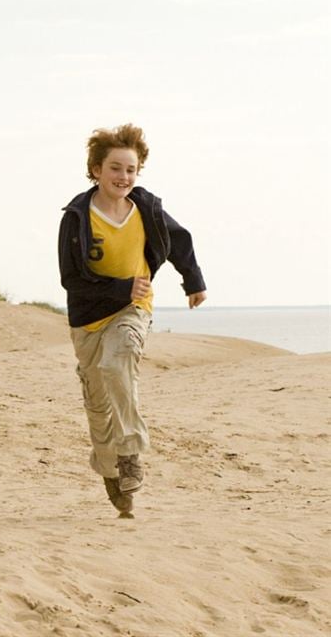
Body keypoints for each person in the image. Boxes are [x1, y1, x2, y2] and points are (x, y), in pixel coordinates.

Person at [58, 123, 207, 515]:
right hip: (88, 319)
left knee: (119, 359)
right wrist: (120, 287)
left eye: (131, 169)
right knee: (98, 407)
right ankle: (111, 471)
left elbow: (180, 239)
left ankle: (131, 454)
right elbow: (70, 279)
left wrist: (193, 280)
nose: (124, 177)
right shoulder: (76, 217)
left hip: (133, 309)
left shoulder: (147, 209)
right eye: (115, 168)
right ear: (95, 169)